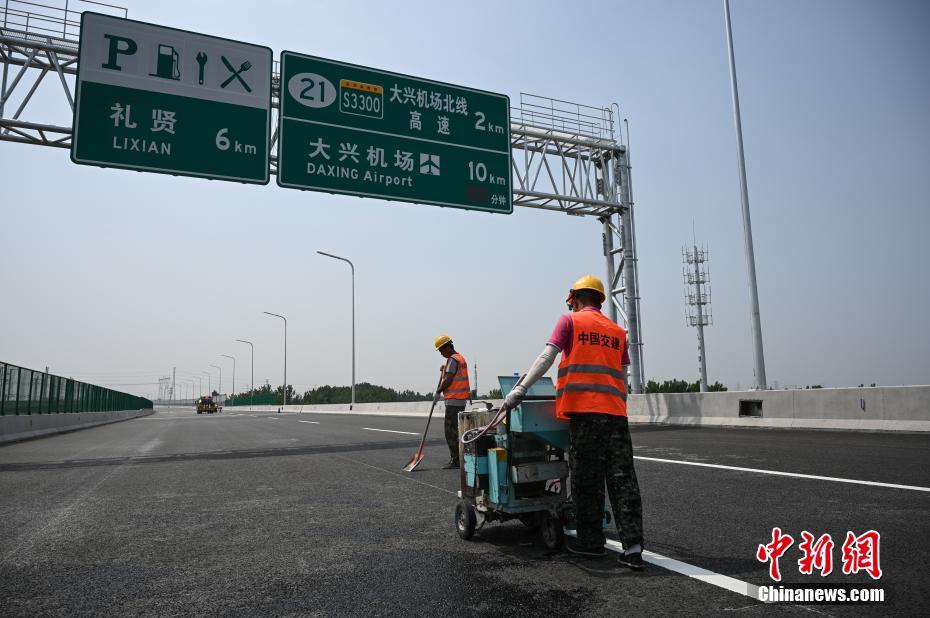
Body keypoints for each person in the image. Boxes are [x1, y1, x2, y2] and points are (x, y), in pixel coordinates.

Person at [502, 275, 645, 569]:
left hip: (585, 415)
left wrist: (520, 389)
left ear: (575, 298)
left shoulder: (569, 322)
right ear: (600, 300)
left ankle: (591, 544)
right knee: (623, 481)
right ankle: (633, 547)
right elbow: (623, 377)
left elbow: (547, 357)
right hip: (616, 416)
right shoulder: (618, 332)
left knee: (587, 481)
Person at [434, 335, 470, 469]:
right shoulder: (459, 358)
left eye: (442, 350)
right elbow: (453, 372)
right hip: (461, 400)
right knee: (459, 430)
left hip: (454, 400)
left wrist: (438, 391)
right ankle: (461, 458)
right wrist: (446, 367)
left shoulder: (452, 360)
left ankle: (456, 460)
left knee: (450, 431)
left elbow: (449, 379)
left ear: (448, 347)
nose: (441, 353)